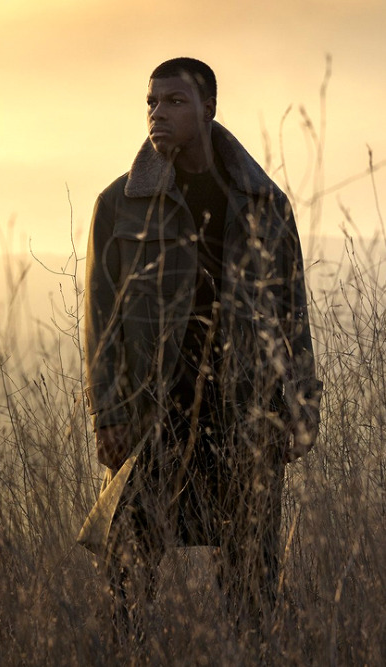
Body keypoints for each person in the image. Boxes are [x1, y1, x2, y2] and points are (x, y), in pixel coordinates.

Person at [83, 57, 322, 644]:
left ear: (209, 109)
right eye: (151, 102)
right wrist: (107, 415)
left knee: (251, 581)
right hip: (152, 416)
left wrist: (302, 404)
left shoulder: (264, 203)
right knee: (128, 576)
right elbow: (100, 321)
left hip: (245, 412)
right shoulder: (119, 204)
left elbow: (292, 312)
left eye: (175, 101)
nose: (157, 113)